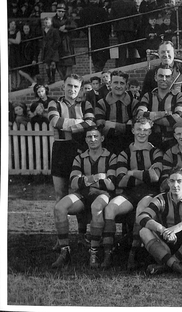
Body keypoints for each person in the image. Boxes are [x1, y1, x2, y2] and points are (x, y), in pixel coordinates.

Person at [51, 126, 118, 269]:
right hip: (83, 194)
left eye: (95, 136)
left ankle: (94, 252)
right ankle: (64, 252)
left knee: (97, 206)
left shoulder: (111, 157)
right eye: (89, 137)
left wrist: (85, 180)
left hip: (103, 194)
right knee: (60, 207)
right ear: (85, 139)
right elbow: (74, 183)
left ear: (102, 138)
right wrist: (97, 177)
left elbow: (111, 184)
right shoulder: (79, 158)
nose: (92, 140)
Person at [101, 117, 163, 270]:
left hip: (149, 193)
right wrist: (144, 176)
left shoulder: (156, 152)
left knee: (141, 208)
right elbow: (120, 180)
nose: (142, 133)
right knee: (110, 208)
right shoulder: (125, 153)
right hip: (129, 194)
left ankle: (133, 254)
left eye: (145, 130)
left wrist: (132, 172)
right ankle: (108, 253)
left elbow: (155, 177)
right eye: (139, 129)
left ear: (150, 131)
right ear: (133, 130)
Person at [48, 74, 96, 247]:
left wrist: (67, 124)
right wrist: (79, 123)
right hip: (61, 150)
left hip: (79, 149)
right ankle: (61, 238)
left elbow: (90, 122)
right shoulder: (54, 103)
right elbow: (55, 121)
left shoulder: (86, 104)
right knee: (60, 194)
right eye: (69, 86)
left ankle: (82, 234)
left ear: (80, 89)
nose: (72, 90)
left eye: (76, 87)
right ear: (63, 86)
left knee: (80, 191)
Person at [137, 167, 182, 277]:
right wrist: (162, 229)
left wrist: (179, 227)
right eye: (172, 181)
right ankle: (176, 266)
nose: (175, 185)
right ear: (168, 183)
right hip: (165, 246)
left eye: (179, 181)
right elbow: (142, 217)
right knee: (144, 231)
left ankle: (168, 264)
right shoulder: (161, 199)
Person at [136, 64, 182, 151]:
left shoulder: (179, 96)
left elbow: (178, 119)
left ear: (172, 78)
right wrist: (164, 114)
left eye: (167, 76)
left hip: (173, 142)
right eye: (161, 76)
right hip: (152, 141)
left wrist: (151, 118)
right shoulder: (148, 96)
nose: (164, 79)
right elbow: (139, 115)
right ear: (155, 77)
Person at [95, 71, 138, 155]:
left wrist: (112, 125)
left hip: (130, 147)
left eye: (122, 83)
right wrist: (125, 126)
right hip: (107, 148)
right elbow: (101, 128)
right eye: (115, 82)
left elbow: (136, 128)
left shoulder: (134, 103)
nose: (118, 86)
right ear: (110, 83)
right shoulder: (101, 103)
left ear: (126, 85)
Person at [78, 0, 111, 73]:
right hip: (102, 36)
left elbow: (81, 25)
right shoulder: (102, 11)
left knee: (94, 55)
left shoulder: (83, 11)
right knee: (102, 54)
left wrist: (87, 32)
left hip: (90, 36)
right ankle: (98, 69)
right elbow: (107, 24)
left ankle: (97, 68)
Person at [110, 0, 138, 67]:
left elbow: (112, 17)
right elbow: (135, 16)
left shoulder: (114, 4)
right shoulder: (131, 4)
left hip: (119, 28)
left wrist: (115, 27)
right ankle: (132, 64)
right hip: (130, 28)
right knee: (130, 47)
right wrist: (135, 27)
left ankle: (122, 65)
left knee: (122, 48)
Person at [51, 3, 76, 80]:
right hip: (58, 45)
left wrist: (66, 27)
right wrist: (59, 30)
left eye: (62, 11)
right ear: (56, 11)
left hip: (67, 44)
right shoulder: (53, 20)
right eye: (59, 11)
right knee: (60, 67)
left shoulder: (68, 19)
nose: (61, 13)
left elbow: (74, 25)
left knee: (68, 67)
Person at [40, 17, 60, 84]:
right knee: (47, 65)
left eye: (47, 22)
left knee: (53, 64)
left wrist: (53, 47)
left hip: (53, 49)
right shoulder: (43, 30)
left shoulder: (54, 30)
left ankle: (53, 78)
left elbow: (58, 40)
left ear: (51, 23)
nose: (46, 24)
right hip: (46, 50)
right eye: (45, 22)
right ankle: (49, 78)